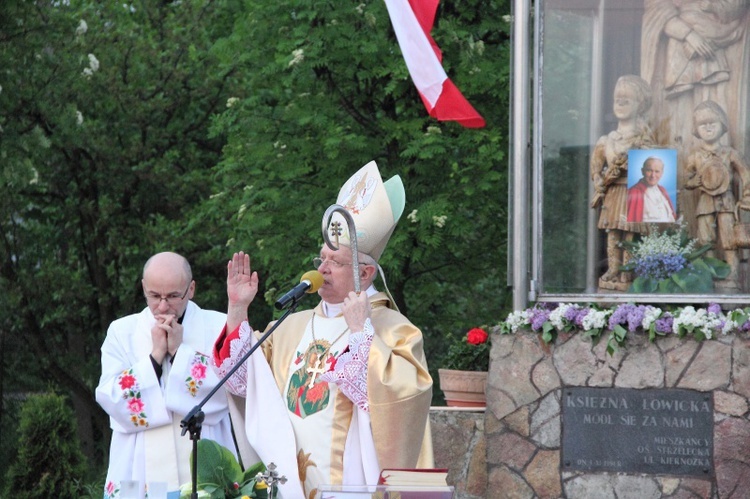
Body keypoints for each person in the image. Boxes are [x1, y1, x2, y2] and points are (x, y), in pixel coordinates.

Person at [212, 161, 434, 498]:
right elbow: (242, 383)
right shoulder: (291, 327)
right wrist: (237, 309)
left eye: (337, 262)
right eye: (322, 259)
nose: (323, 269)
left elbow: (402, 407)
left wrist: (361, 333)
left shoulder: (394, 330)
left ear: (366, 274)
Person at [96, 252, 234, 498]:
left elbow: (226, 394)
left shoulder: (218, 326)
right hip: (138, 470)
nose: (162, 306)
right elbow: (111, 398)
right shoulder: (121, 331)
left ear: (190, 289)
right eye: (154, 296)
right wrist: (155, 357)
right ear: (143, 288)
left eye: (172, 296)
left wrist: (181, 353)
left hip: (205, 460)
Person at [590, 75, 656, 285]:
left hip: (635, 192)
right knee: (613, 232)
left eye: (627, 99)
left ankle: (628, 270)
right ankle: (613, 268)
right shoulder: (606, 140)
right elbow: (596, 168)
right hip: (614, 192)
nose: (620, 102)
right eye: (618, 98)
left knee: (630, 232)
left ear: (641, 105)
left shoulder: (645, 139)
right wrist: (598, 180)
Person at [685, 100, 750, 288]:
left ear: (722, 125)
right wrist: (693, 182)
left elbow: (745, 174)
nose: (708, 127)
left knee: (730, 239)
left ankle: (733, 275)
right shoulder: (695, 156)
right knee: (706, 240)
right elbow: (687, 180)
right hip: (705, 202)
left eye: (712, 122)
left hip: (726, 201)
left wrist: (747, 196)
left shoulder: (730, 153)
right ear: (696, 130)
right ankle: (709, 274)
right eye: (702, 124)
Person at [626, 156, 677, 223]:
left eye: (657, 171)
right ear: (642, 171)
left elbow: (672, 216)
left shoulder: (662, 190)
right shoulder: (633, 192)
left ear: (662, 173)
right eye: (649, 170)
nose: (653, 175)